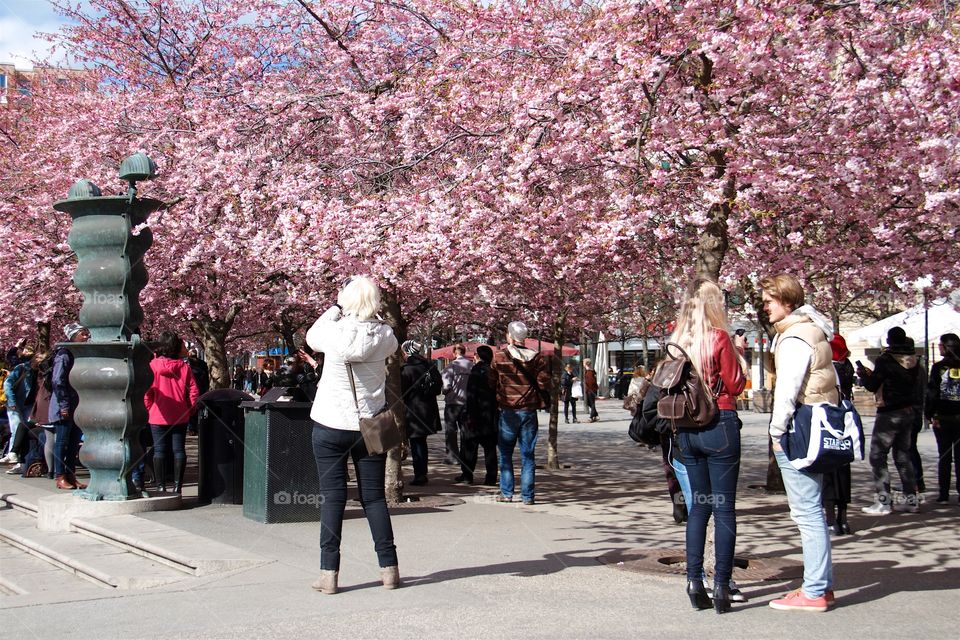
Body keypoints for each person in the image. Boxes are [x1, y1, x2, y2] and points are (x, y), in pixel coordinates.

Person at [304, 275, 400, 594]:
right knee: (374, 498)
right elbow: (392, 339)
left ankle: (329, 574)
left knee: (333, 498)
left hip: (331, 423)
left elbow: (311, 336)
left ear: (346, 300)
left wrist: (335, 307)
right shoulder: (385, 335)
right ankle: (389, 570)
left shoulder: (332, 333)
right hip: (371, 424)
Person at [666, 279, 746, 614]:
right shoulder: (719, 338)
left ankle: (694, 580)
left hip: (686, 429)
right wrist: (739, 355)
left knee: (699, 507)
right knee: (724, 507)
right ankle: (722, 586)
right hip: (719, 423)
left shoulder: (676, 342)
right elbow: (736, 383)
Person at [762, 274, 837, 612]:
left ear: (787, 301)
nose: (765, 308)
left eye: (769, 301)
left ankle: (815, 590)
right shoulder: (814, 330)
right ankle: (820, 584)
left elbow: (787, 391)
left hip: (801, 428)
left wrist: (776, 433)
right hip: (818, 424)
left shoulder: (793, 338)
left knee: (806, 512)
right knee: (812, 509)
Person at [856, 326, 921, 514]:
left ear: (889, 341)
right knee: (903, 456)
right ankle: (911, 499)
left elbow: (872, 385)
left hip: (889, 412)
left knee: (877, 455)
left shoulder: (886, 360)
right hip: (908, 411)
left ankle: (884, 501)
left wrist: (865, 376)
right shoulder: (914, 360)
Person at [489, 321, 550, 505]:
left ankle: (506, 493)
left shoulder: (499, 356)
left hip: (508, 411)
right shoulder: (537, 358)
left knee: (506, 454)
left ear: (509, 336)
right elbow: (543, 383)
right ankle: (528, 496)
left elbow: (491, 381)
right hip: (529, 411)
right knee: (528, 455)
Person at [144, 331, 200, 493]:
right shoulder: (184, 367)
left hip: (157, 414)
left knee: (159, 450)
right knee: (179, 450)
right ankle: (177, 486)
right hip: (180, 414)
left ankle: (160, 485)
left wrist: (149, 408)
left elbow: (147, 391)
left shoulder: (152, 366)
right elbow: (193, 391)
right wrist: (190, 409)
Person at [50, 322, 89, 490]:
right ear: (72, 336)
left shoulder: (78, 354)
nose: (86, 335)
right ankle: (60, 476)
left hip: (77, 404)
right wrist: (64, 405)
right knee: (62, 442)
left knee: (73, 442)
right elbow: (58, 381)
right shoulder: (64, 355)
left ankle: (71, 475)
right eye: (82, 333)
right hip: (64, 405)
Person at [822, 334, 855, 535]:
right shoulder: (847, 366)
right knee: (843, 470)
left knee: (827, 469)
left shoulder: (827, 368)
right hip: (846, 420)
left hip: (827, 420)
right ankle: (843, 518)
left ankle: (831, 518)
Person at [400, 339, 442, 486]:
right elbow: (438, 388)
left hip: (413, 410)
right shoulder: (430, 366)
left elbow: (401, 393)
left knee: (416, 443)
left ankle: (420, 474)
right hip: (428, 409)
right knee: (421, 442)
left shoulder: (406, 369)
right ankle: (421, 472)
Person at [926, 333, 960, 504]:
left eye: (940, 344)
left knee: (944, 456)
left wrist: (930, 413)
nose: (939, 347)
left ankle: (944, 493)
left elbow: (932, 392)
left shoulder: (939, 367)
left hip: (943, 417)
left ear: (946, 347)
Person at [460, 345, 499, 486]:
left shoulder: (476, 371)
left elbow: (471, 395)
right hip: (491, 414)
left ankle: (467, 475)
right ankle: (491, 477)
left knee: (470, 447)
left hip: (476, 414)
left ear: (478, 356)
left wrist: (469, 415)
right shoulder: (494, 371)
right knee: (490, 448)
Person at [2, 344, 36, 469]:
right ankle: (14, 457)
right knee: (16, 430)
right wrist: (12, 402)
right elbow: (8, 384)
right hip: (16, 403)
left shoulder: (40, 370)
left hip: (29, 404)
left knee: (24, 431)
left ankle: (19, 459)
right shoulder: (21, 367)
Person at [441, 344, 473, 467]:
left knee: (451, 430)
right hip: (467, 403)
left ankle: (452, 457)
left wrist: (444, 392)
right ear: (464, 352)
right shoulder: (472, 366)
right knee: (466, 431)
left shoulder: (450, 367)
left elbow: (446, 386)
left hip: (453, 403)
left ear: (454, 353)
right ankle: (466, 456)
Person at [187, 348, 210, 434]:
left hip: (191, 389)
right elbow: (206, 378)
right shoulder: (203, 364)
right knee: (200, 408)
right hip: (201, 388)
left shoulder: (187, 364)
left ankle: (192, 428)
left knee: (192, 408)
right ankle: (199, 425)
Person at [583, 358, 599, 422]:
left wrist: (590, 389)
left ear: (586, 363)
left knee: (591, 403)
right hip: (590, 390)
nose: (583, 364)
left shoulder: (589, 372)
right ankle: (595, 415)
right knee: (589, 403)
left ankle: (591, 417)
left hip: (590, 390)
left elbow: (591, 382)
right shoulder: (588, 371)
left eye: (583, 363)